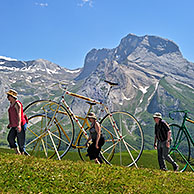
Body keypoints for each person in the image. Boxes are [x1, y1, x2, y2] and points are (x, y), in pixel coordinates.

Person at [6, 89, 27, 155]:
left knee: (20, 141)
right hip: (14, 125)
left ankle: (22, 154)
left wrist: (19, 125)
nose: (7, 97)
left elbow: (19, 114)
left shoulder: (17, 104)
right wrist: (10, 124)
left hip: (20, 124)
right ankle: (17, 152)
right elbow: (12, 115)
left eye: (9, 96)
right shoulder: (11, 104)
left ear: (12, 97)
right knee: (10, 138)